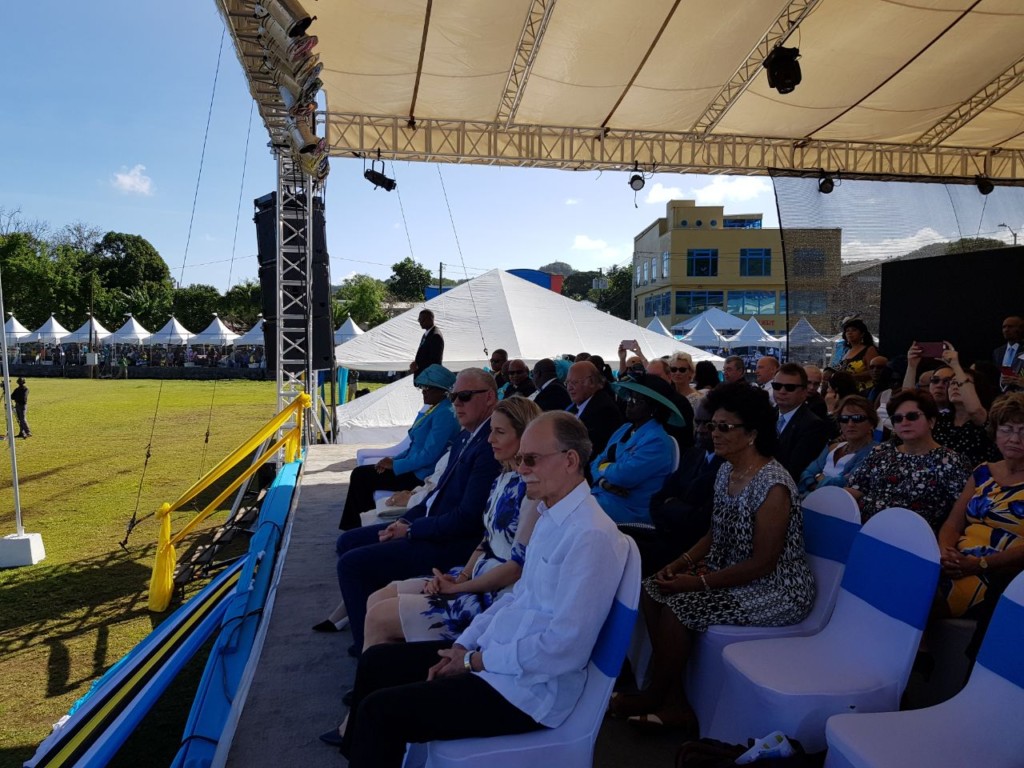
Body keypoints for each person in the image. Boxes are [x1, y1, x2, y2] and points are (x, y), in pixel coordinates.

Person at [323, 412, 630, 767]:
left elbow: (563, 650)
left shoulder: (591, 537)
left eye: (531, 459)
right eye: (520, 459)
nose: (522, 467)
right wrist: (463, 645)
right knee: (377, 662)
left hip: (527, 693)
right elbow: (517, 597)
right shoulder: (551, 516)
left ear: (570, 460)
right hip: (499, 663)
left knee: (381, 713)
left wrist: (473, 662)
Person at [609, 382, 815, 730]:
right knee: (652, 590)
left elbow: (764, 562)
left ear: (752, 433)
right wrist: (677, 567)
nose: (711, 433)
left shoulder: (773, 484)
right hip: (735, 574)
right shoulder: (727, 470)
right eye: (709, 425)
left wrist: (698, 582)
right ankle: (666, 692)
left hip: (777, 590)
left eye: (723, 427)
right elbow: (713, 534)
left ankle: (667, 699)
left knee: (679, 606)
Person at [333, 368, 503, 653]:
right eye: (453, 396)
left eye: (463, 396)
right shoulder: (466, 438)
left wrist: (412, 529)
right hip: (431, 527)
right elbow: (437, 493)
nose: (456, 403)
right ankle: (370, 628)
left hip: (450, 544)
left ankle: (371, 651)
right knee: (348, 541)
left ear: (489, 398)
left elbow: (467, 519)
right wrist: (403, 520)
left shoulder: (489, 446)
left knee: (352, 564)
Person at [361, 397, 543, 648]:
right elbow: (488, 538)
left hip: (498, 596)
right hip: (474, 578)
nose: (490, 439)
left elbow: (516, 568)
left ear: (525, 437)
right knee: (378, 598)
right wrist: (461, 577)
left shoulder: (532, 491)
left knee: (380, 617)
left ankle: (375, 678)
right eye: (491, 431)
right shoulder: (503, 478)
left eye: (499, 432)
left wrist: (461, 587)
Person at [337, 365, 460, 529]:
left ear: (442, 391)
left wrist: (395, 465)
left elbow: (428, 455)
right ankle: (360, 524)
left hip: (421, 475)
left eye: (427, 388)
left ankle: (359, 527)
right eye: (422, 387)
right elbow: (414, 447)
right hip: (412, 468)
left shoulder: (445, 414)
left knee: (362, 476)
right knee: (362, 475)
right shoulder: (435, 409)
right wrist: (392, 460)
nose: (423, 391)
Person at [937, 393, 1024, 618]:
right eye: (1007, 429)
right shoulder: (982, 471)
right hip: (959, 561)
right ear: (995, 433)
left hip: (1004, 574)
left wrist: (980, 564)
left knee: (924, 597)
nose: (1015, 438)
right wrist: (946, 553)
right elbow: (953, 524)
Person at [846, 390, 970, 531]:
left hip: (912, 540)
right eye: (897, 419)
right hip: (864, 530)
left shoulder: (952, 462)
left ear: (931, 421)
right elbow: (855, 489)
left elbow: (960, 516)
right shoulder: (881, 452)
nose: (904, 422)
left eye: (912, 416)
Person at [643, 398, 723, 575]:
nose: (701, 430)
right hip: (667, 535)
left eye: (709, 425)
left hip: (694, 549)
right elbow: (658, 499)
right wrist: (676, 509)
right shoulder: (694, 454)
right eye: (698, 423)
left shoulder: (727, 467)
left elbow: (701, 521)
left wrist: (672, 506)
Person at [590, 375, 679, 526]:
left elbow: (624, 476)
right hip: (603, 497)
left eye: (636, 400)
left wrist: (603, 468)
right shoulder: (624, 429)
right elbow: (595, 462)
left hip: (630, 510)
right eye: (630, 398)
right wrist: (605, 482)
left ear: (653, 408)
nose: (629, 403)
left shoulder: (657, 441)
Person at [798, 395, 878, 496]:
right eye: (844, 419)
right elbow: (806, 473)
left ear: (871, 423)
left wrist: (816, 479)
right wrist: (819, 478)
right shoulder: (833, 446)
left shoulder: (875, 453)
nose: (850, 424)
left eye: (857, 418)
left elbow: (843, 484)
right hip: (808, 500)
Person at [934, 343, 1000, 466]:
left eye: (962, 383)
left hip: (976, 480)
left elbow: (974, 410)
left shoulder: (986, 420)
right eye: (952, 383)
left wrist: (955, 365)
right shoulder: (941, 419)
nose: (955, 386)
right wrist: (912, 366)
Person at [773, 363, 830, 481]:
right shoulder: (767, 416)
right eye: (777, 386)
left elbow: (795, 469)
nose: (782, 391)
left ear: (804, 392)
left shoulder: (813, 425)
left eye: (790, 387)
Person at [564, 360, 623, 458]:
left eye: (574, 382)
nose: (569, 388)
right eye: (567, 383)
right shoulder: (577, 406)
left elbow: (591, 452)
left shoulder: (604, 410)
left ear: (591, 382)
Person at [836, 318, 879, 391]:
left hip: (864, 390)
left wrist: (852, 377)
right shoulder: (846, 352)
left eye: (854, 330)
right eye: (847, 331)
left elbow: (873, 372)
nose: (850, 333)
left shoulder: (869, 350)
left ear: (862, 334)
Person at [993, 315, 1024, 391]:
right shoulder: (998, 352)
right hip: (1001, 396)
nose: (1006, 330)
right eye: (1004, 327)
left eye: (1010, 327)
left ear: (1021, 329)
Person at [410, 309, 444, 374]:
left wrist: (417, 366)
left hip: (429, 377)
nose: (420, 322)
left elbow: (434, 362)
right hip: (423, 375)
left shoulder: (435, 336)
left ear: (431, 319)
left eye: (422, 319)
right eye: (419, 320)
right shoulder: (427, 334)